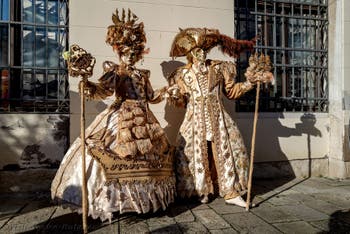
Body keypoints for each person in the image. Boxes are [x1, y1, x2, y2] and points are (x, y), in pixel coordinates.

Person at [51, 9, 175, 221]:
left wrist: (167, 91)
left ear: (137, 53)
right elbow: (103, 91)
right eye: (126, 51)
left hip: (145, 119)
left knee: (147, 157)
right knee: (107, 151)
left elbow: (151, 97)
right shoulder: (114, 70)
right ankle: (111, 201)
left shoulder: (143, 74)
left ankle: (141, 202)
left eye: (133, 52)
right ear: (120, 51)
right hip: (121, 117)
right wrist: (87, 83)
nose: (129, 55)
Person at [166, 28, 273, 207]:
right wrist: (175, 95)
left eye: (204, 50)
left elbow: (231, 92)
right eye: (197, 51)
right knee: (196, 153)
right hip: (194, 121)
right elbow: (181, 101)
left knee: (226, 151)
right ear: (190, 53)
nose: (202, 54)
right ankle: (202, 190)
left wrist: (249, 83)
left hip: (219, 119)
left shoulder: (219, 67)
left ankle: (230, 192)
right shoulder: (182, 74)